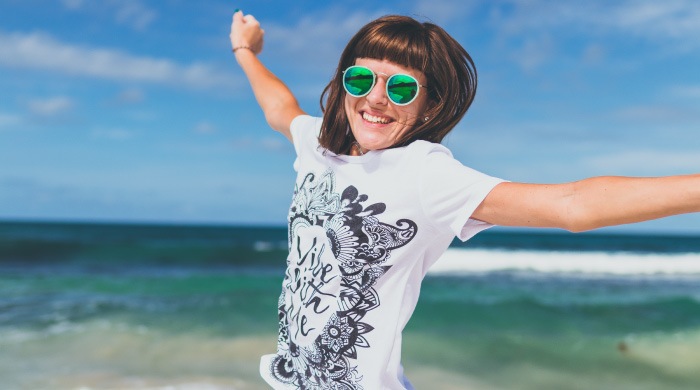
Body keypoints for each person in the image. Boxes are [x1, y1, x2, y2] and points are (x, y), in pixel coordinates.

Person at [230, 10, 699, 390]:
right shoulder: (318, 143)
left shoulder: (424, 173)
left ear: (429, 105)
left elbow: (572, 204)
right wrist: (245, 51)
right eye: (361, 80)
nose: (375, 99)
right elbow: (279, 108)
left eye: (400, 88)